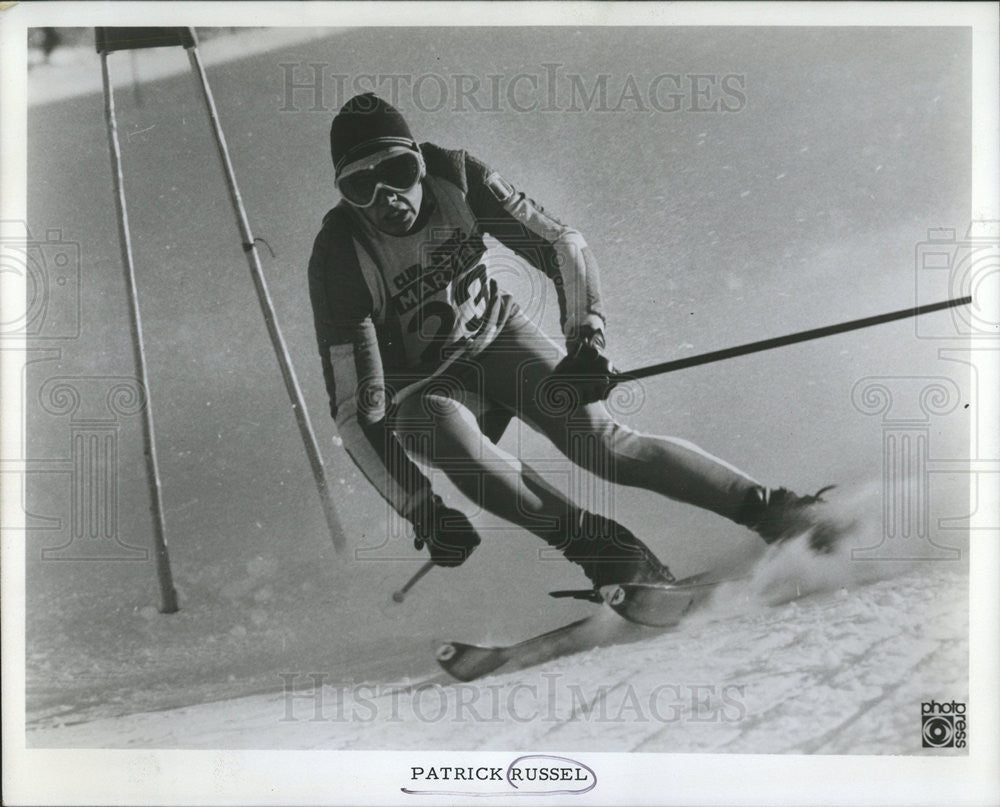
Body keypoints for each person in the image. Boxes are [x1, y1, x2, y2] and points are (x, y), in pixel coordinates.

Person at [308, 93, 836, 588]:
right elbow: (358, 410)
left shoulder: (456, 176)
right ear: (344, 195)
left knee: (601, 443)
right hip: (423, 390)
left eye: (399, 172)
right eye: (362, 186)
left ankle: (776, 509)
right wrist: (420, 507)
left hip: (494, 339)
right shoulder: (341, 257)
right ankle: (609, 553)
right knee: (455, 444)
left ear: (419, 163)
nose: (388, 198)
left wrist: (586, 339)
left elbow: (561, 243)